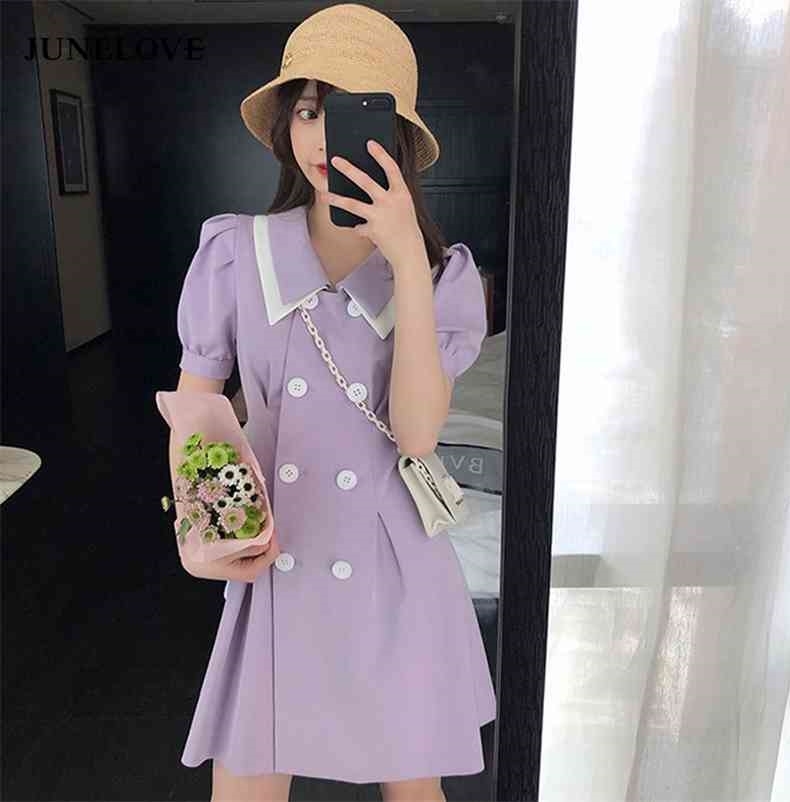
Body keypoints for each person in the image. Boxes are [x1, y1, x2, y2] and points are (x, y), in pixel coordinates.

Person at [171, 4, 496, 801]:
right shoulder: (235, 253)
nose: (324, 137)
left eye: (354, 115)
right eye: (311, 111)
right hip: (278, 555)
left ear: (398, 135)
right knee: (243, 787)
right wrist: (206, 528)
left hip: (395, 569)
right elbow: (197, 408)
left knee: (412, 788)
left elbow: (416, 434)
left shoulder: (441, 276)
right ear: (287, 124)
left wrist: (407, 260)